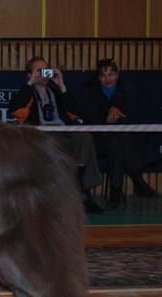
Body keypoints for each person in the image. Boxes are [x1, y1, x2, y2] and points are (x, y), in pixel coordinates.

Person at [9, 56, 104, 213]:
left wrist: (61, 85)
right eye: (38, 71)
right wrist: (30, 83)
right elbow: (16, 109)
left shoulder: (55, 91)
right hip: (41, 135)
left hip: (63, 132)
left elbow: (75, 111)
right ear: (29, 74)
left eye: (46, 70)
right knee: (54, 141)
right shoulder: (27, 92)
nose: (43, 74)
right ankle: (79, 193)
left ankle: (83, 192)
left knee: (84, 135)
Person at [80, 58, 156, 208]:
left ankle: (116, 192)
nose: (107, 79)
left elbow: (128, 119)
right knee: (118, 142)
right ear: (98, 77)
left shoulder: (127, 91)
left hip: (118, 138)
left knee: (117, 143)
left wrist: (115, 114)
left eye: (111, 74)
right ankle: (135, 180)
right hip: (97, 140)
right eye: (103, 75)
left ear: (117, 74)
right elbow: (90, 121)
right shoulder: (90, 93)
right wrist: (107, 121)